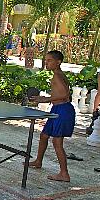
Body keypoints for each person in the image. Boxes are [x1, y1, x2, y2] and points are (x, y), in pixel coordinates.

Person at [29, 50, 75, 182]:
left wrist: (44, 99)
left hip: (62, 110)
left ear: (58, 62)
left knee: (57, 142)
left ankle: (64, 173)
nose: (46, 63)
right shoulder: (58, 74)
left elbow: (65, 95)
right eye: (46, 60)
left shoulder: (57, 76)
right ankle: (38, 161)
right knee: (44, 136)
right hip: (57, 109)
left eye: (49, 60)